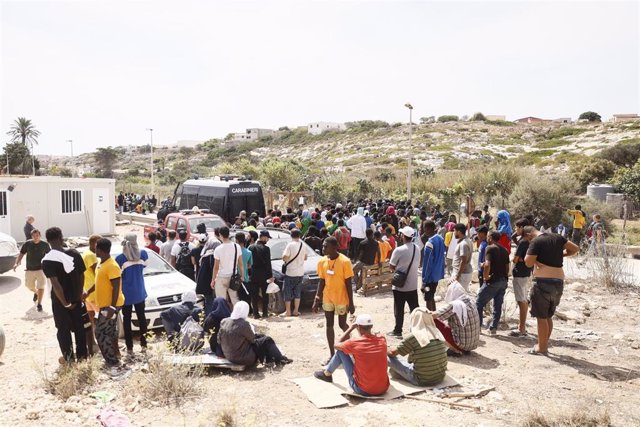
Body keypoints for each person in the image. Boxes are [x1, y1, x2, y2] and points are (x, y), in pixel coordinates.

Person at [524, 225, 579, 355]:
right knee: (549, 315)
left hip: (543, 281)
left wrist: (536, 258)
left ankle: (542, 348)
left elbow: (528, 262)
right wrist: (562, 255)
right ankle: (543, 343)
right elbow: (575, 249)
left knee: (541, 317)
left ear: (529, 235)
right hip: (559, 281)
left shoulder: (536, 241)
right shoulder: (557, 237)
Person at [41, 227, 88, 363]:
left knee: (63, 330)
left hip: (59, 302)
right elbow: (81, 276)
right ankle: (82, 357)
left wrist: (65, 303)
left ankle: (69, 359)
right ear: (61, 238)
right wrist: (78, 295)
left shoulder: (47, 260)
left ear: (48, 241)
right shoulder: (74, 254)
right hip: (76, 298)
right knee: (79, 328)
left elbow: (56, 285)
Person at [314, 314, 389, 396]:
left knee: (340, 352)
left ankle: (327, 374)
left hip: (363, 390)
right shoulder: (382, 339)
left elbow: (336, 345)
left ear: (358, 327)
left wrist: (350, 328)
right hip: (383, 388)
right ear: (371, 326)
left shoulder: (354, 342)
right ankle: (327, 373)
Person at [313, 237, 355, 361]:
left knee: (342, 324)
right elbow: (322, 281)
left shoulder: (345, 261)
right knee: (329, 325)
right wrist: (317, 298)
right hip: (328, 298)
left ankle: (352, 348)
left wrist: (351, 303)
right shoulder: (322, 262)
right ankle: (332, 355)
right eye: (323, 246)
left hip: (342, 299)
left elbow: (348, 284)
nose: (323, 248)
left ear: (335, 247)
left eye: (326, 246)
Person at [84, 238, 125, 367]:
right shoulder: (102, 264)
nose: (94, 250)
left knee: (100, 332)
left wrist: (112, 307)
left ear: (100, 250)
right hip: (105, 305)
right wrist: (88, 292)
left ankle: (111, 362)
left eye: (96, 248)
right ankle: (115, 355)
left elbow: (116, 286)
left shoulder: (112, 266)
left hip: (110, 306)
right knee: (111, 331)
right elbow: (98, 282)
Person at [218, 301, 292, 366]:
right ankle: (280, 359)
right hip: (243, 358)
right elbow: (252, 340)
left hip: (228, 355)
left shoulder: (224, 321)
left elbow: (219, 339)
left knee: (261, 337)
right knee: (267, 339)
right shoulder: (244, 324)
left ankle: (271, 358)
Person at [387, 308, 448, 385]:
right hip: (440, 378)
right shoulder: (437, 333)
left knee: (387, 358)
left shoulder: (414, 336)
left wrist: (385, 348)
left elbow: (392, 353)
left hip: (421, 380)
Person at [115, 234, 148, 354]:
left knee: (127, 319)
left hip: (126, 294)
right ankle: (144, 344)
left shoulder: (120, 259)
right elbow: (144, 266)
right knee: (142, 318)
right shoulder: (143, 254)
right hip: (139, 291)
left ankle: (129, 347)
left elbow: (118, 276)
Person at [387, 227, 420, 338]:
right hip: (413, 284)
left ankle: (398, 331)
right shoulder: (417, 248)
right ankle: (416, 331)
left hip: (400, 286)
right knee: (415, 310)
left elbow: (391, 266)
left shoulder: (399, 250)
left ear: (403, 236)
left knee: (399, 310)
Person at [476, 231, 510, 335]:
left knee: (478, 302)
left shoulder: (489, 248)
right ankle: (493, 328)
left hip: (493, 281)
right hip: (503, 280)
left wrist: (486, 277)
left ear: (490, 237)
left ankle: (478, 327)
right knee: (498, 305)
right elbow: (507, 266)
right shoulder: (504, 250)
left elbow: (487, 264)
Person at [433, 281, 480, 355]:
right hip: (472, 345)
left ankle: (454, 349)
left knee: (433, 321)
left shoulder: (455, 305)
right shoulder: (470, 300)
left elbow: (434, 315)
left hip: (461, 345)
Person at [14, 228, 50, 311]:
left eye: (37, 235)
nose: (35, 237)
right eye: (34, 236)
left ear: (40, 236)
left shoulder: (45, 244)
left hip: (41, 269)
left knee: (41, 286)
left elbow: (49, 255)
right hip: (30, 269)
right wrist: (16, 263)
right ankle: (36, 292)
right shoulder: (27, 244)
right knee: (29, 286)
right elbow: (21, 253)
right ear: (31, 236)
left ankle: (39, 304)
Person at [510, 219, 533, 337]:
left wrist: (517, 259)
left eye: (517, 228)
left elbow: (515, 258)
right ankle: (521, 326)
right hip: (526, 273)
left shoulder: (523, 242)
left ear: (522, 228)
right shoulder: (528, 240)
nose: (515, 230)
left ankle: (522, 328)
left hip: (520, 273)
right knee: (523, 300)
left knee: (521, 301)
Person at [212, 226, 244, 307]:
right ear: (229, 234)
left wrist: (213, 280)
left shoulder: (218, 249)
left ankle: (223, 317)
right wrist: (242, 276)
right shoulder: (237, 246)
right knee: (235, 299)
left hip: (221, 277)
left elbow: (216, 267)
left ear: (220, 235)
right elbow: (240, 263)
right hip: (233, 276)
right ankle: (239, 316)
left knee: (221, 300)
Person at [82, 234, 101, 355]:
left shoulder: (85, 253)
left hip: (87, 291)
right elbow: (97, 274)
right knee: (102, 318)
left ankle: (92, 343)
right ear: (94, 244)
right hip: (93, 291)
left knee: (91, 318)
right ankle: (99, 341)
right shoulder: (91, 256)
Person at [421, 220, 445, 311]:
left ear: (428, 229)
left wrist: (424, 281)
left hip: (429, 278)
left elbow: (427, 264)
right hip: (437, 275)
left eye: (424, 228)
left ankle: (431, 319)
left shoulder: (429, 243)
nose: (424, 230)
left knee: (428, 298)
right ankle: (435, 317)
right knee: (431, 296)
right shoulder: (440, 238)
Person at [282, 229, 307, 317]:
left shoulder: (290, 245)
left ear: (291, 235)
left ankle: (288, 312)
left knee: (287, 292)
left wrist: (285, 260)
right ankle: (296, 311)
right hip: (300, 272)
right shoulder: (303, 245)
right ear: (299, 236)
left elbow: (285, 257)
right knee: (297, 292)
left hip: (290, 272)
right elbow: (305, 258)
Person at [247, 230, 273, 318]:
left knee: (254, 295)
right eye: (267, 238)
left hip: (253, 274)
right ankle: (265, 313)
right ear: (263, 237)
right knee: (265, 294)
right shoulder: (266, 249)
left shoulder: (251, 247)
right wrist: (270, 276)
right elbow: (268, 264)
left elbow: (248, 262)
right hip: (264, 275)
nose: (268, 240)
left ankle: (255, 314)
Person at [197, 233, 221, 316]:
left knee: (208, 302)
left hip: (204, 283)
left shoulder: (205, 255)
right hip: (210, 284)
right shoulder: (212, 257)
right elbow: (214, 270)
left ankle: (208, 320)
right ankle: (210, 321)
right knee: (211, 302)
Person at [451, 224, 473, 291]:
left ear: (459, 232)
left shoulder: (463, 244)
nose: (454, 233)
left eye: (454, 231)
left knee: (458, 297)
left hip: (462, 274)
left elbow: (463, 260)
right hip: (463, 273)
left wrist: (458, 275)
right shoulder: (466, 241)